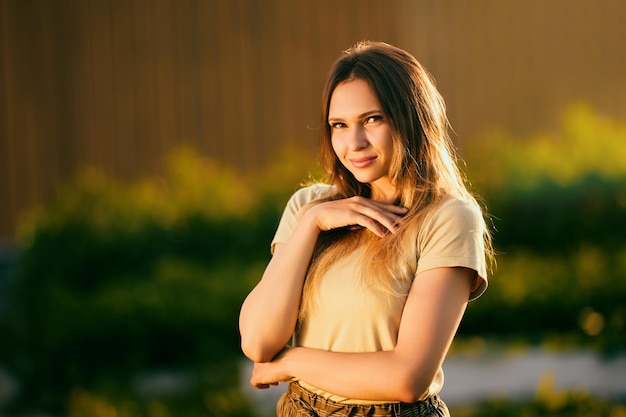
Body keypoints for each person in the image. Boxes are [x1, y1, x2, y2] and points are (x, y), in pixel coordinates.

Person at [239, 41, 493, 417]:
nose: (353, 143)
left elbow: (408, 378)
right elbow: (259, 343)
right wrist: (312, 223)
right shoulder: (309, 207)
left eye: (372, 119)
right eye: (339, 125)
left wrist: (291, 362)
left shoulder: (448, 217)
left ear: (411, 119)